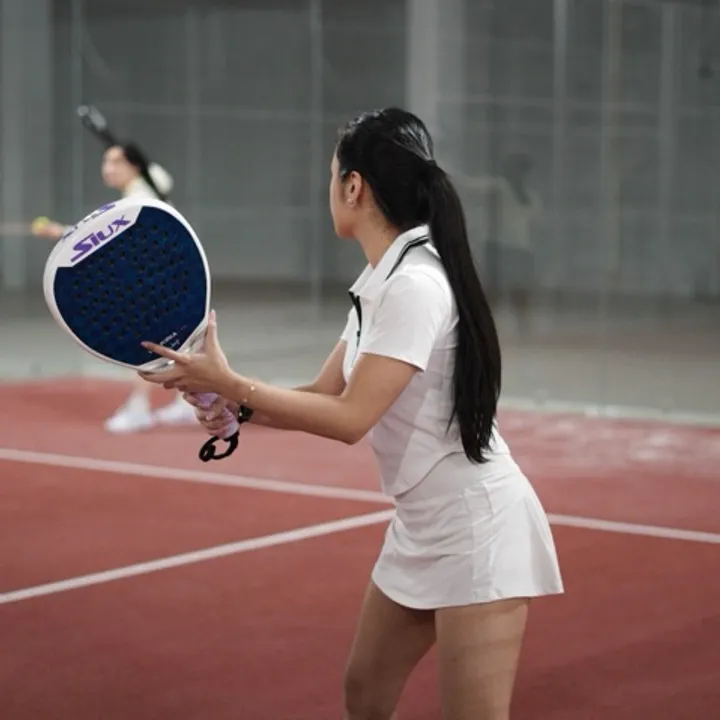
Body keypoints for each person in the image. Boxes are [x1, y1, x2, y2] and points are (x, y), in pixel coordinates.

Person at [139, 108, 564, 720]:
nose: (328, 189)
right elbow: (323, 392)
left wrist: (231, 383)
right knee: (364, 693)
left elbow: (350, 419)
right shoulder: (380, 279)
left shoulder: (415, 284)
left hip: (478, 528)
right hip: (422, 524)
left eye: (331, 175)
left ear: (354, 186)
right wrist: (230, 402)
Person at [32, 143, 197, 433]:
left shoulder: (139, 197)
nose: (107, 168)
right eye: (106, 161)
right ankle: (186, 404)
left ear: (134, 166)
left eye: (116, 161)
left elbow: (105, 238)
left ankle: (139, 408)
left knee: (152, 345)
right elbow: (160, 179)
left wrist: (61, 233)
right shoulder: (143, 188)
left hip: (156, 279)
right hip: (164, 276)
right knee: (180, 345)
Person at [459, 153, 542, 337]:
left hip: (510, 248)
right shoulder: (511, 191)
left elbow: (471, 186)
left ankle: (513, 330)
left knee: (510, 292)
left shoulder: (515, 192)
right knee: (502, 291)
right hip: (509, 247)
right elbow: (472, 187)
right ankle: (501, 329)